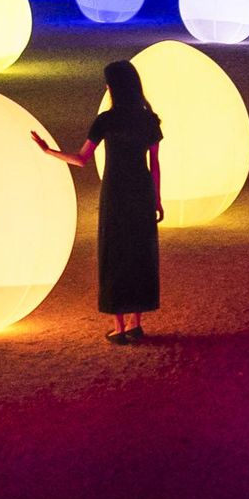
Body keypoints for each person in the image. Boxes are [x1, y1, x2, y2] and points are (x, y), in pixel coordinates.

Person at [80, 57, 162, 342]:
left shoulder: (107, 120)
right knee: (139, 252)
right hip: (140, 191)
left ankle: (119, 327)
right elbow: (155, 163)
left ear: (113, 87)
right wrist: (157, 199)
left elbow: (81, 159)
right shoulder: (148, 119)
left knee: (114, 253)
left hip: (115, 193)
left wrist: (49, 151)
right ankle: (136, 323)